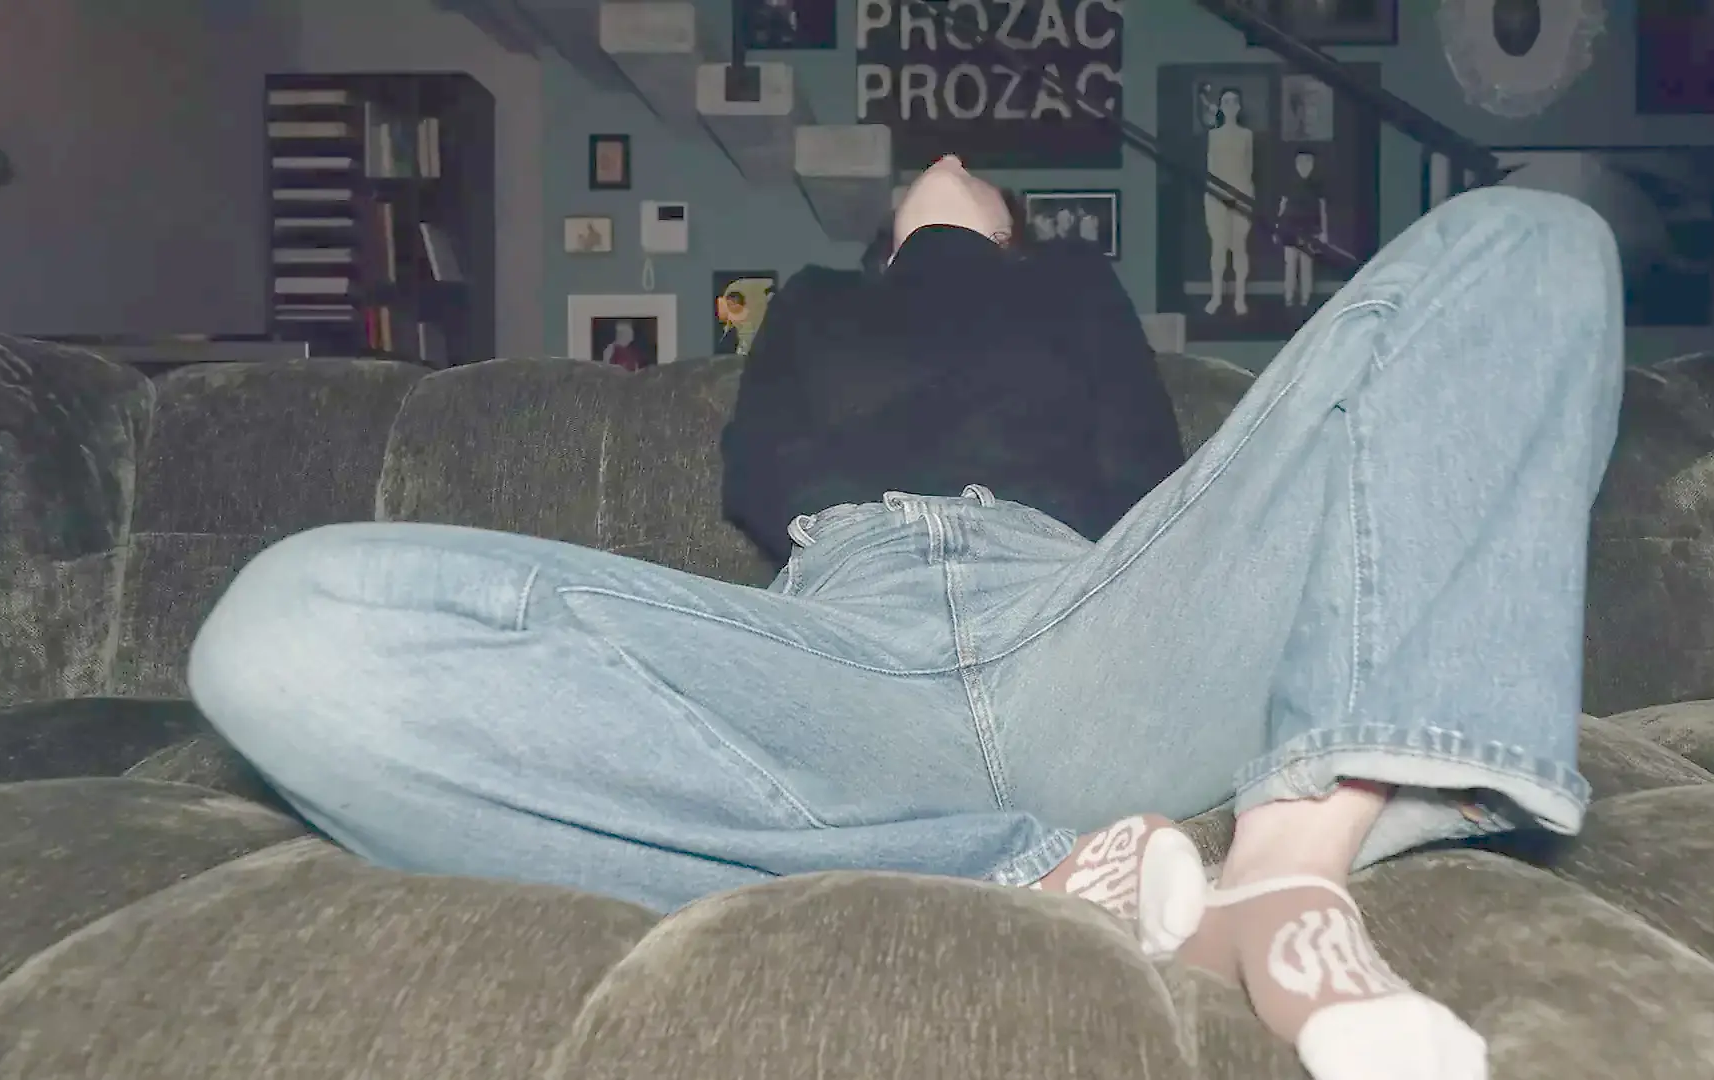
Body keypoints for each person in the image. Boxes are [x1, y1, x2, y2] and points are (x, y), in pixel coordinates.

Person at [189, 152, 1623, 1080]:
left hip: (1089, 627)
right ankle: (1025, 872)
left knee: (1533, 236)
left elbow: (1142, 467)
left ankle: (1283, 874)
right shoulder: (815, 303)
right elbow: (766, 473)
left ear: (1017, 225)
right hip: (840, 665)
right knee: (282, 633)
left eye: (978, 177)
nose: (947, 163)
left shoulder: (1071, 291)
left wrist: (989, 328)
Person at [1204, 87, 1256, 316]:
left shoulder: (1246, 135)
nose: (1231, 105)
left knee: (1239, 245)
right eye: (1226, 102)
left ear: (1239, 106)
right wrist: (1214, 195)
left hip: (1241, 193)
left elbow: (1248, 167)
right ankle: (1216, 296)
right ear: (1221, 107)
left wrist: (1245, 194)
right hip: (1217, 195)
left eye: (1234, 101)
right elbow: (1211, 167)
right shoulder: (1213, 136)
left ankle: (1239, 298)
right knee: (1218, 246)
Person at [1277, 148, 1328, 308]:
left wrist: (1324, 232)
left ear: (1313, 163)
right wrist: (1278, 227)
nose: (1305, 165)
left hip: (1309, 230)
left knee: (1306, 266)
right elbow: (1282, 205)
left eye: (1308, 161)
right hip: (1289, 229)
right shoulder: (1288, 182)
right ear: (1296, 163)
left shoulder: (1317, 184)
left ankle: (1305, 298)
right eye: (1301, 161)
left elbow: (1322, 209)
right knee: (1290, 266)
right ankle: (1289, 297)